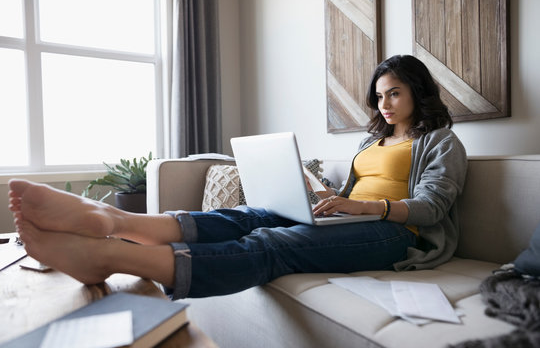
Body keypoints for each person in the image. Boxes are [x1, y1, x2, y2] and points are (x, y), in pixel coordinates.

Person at [8, 55, 467, 300]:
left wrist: (362, 207)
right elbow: (352, 195)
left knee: (273, 241)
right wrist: (326, 195)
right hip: (352, 219)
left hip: (395, 235)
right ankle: (114, 221)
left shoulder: (443, 142)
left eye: (394, 93)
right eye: (378, 96)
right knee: (253, 214)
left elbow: (432, 207)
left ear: (417, 92)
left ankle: (112, 259)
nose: (383, 104)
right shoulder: (371, 144)